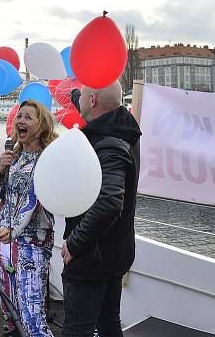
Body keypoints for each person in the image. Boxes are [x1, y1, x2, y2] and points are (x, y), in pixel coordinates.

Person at [61, 81, 141, 337]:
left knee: (77, 330)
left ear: (93, 100)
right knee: (109, 323)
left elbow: (108, 203)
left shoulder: (108, 143)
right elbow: (87, 100)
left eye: (83, 97)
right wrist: (73, 92)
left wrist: (75, 243)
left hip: (92, 257)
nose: (80, 101)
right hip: (115, 253)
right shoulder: (122, 127)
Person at [0, 99, 57, 337]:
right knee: (11, 315)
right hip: (4, 243)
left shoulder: (48, 159)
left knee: (32, 319)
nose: (21, 121)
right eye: (19, 116)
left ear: (41, 125)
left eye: (28, 117)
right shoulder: (13, 157)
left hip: (31, 245)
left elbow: (34, 199)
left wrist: (15, 230)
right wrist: (0, 170)